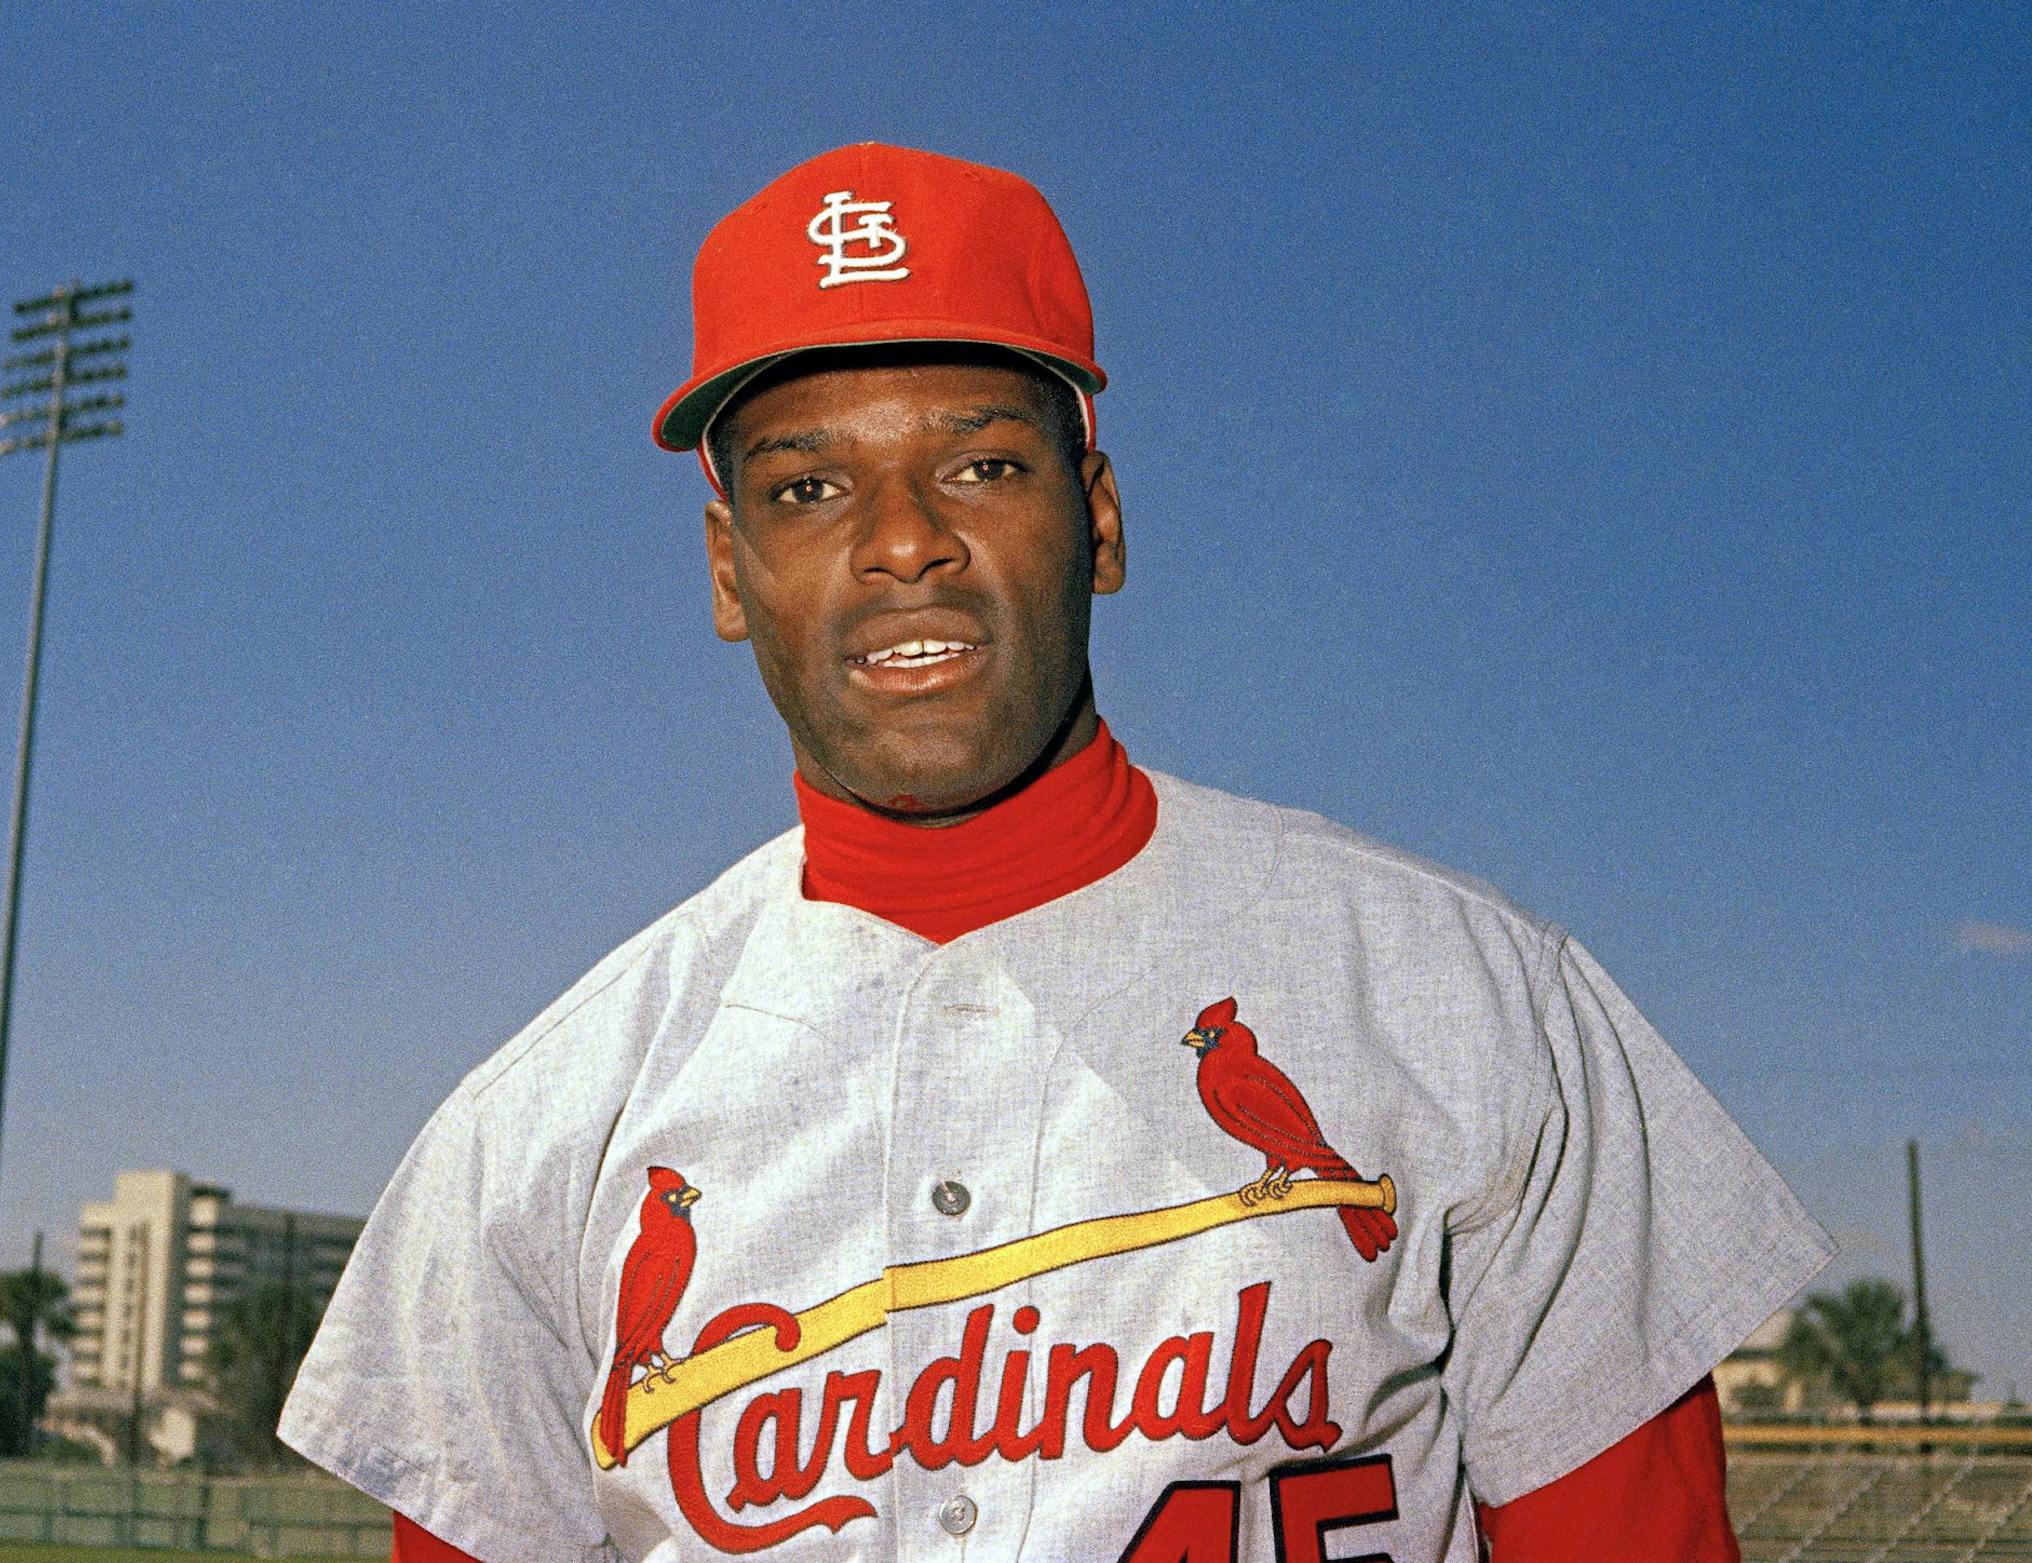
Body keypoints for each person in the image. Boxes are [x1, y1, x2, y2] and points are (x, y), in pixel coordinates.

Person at [280, 143, 1833, 1562]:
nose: (903, 541)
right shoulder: (535, 1136)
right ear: (729, 572)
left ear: (1096, 520)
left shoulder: (1471, 999)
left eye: (981, 464)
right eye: (810, 487)